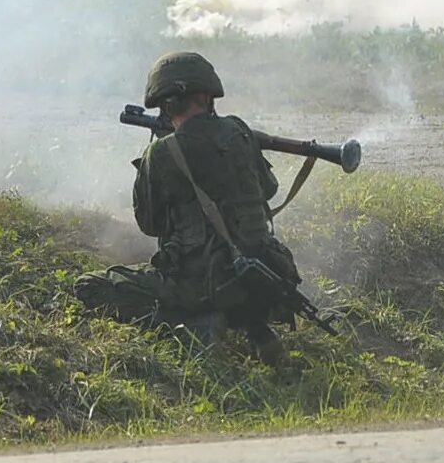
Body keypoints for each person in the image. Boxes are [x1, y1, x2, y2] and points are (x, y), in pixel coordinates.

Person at [76, 51, 310, 351]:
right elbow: (268, 189)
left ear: (167, 103)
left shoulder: (163, 152)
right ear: (208, 96)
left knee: (89, 286)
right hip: (262, 275)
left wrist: (161, 155)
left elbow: (150, 224)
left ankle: (196, 325)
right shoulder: (239, 132)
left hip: (205, 285)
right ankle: (253, 324)